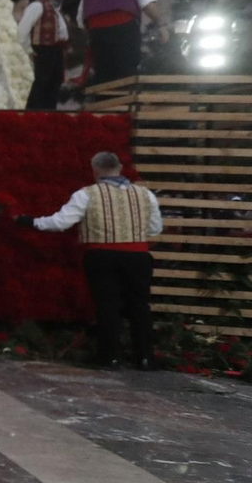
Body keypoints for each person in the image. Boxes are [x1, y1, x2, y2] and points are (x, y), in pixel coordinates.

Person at [19, 151, 163, 368]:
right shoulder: (145, 195)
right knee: (140, 307)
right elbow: (155, 228)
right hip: (137, 255)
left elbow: (61, 222)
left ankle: (108, 357)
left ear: (95, 170)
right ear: (120, 168)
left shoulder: (87, 194)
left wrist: (31, 222)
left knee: (107, 306)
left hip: (102, 255)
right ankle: (144, 358)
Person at [81, 0, 164, 86]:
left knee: (104, 74)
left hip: (97, 32)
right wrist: (161, 24)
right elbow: (146, 1)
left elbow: (81, 17)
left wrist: (91, 37)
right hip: (124, 28)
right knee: (126, 72)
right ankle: (124, 102)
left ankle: (105, 103)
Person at [17, 0, 72, 110]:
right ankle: (33, 112)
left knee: (55, 81)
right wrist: (28, 50)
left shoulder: (56, 10)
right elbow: (22, 30)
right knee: (42, 81)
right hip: (44, 49)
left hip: (56, 49)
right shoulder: (37, 6)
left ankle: (48, 112)